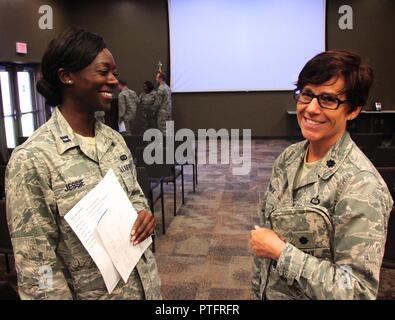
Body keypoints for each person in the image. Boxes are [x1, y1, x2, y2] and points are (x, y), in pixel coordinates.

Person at [5, 28, 161, 300]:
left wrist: (143, 213)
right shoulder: (33, 159)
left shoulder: (114, 141)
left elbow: (135, 196)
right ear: (66, 76)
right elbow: (38, 272)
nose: (113, 81)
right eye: (103, 72)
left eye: (114, 72)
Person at [250, 50, 393, 300]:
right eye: (306, 95)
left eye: (328, 99)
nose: (311, 109)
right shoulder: (288, 159)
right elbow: (265, 245)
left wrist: (282, 253)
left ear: (353, 110)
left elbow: (357, 290)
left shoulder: (361, 184)